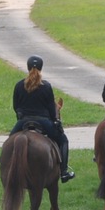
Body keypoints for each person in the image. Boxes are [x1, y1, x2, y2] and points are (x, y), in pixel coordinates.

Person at [11, 54, 75, 182]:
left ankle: (5, 165)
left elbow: (16, 106)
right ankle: (63, 172)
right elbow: (52, 108)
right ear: (41, 68)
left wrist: (21, 116)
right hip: (44, 122)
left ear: (28, 67)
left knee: (9, 142)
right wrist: (54, 120)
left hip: (24, 121)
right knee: (63, 141)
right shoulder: (46, 86)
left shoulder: (19, 85)